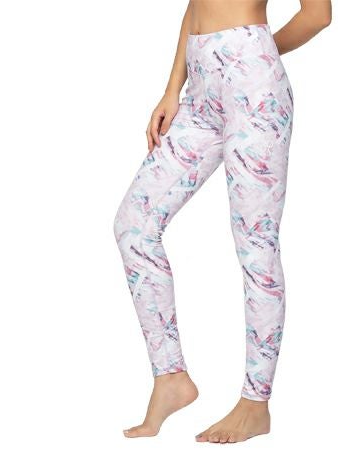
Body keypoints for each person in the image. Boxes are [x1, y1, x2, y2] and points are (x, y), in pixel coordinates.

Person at [113, 0, 332, 443]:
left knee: (256, 248)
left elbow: (318, 14)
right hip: (199, 88)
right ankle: (170, 377)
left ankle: (255, 404)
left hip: (253, 83)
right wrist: (172, 88)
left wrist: (258, 49)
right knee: (134, 225)